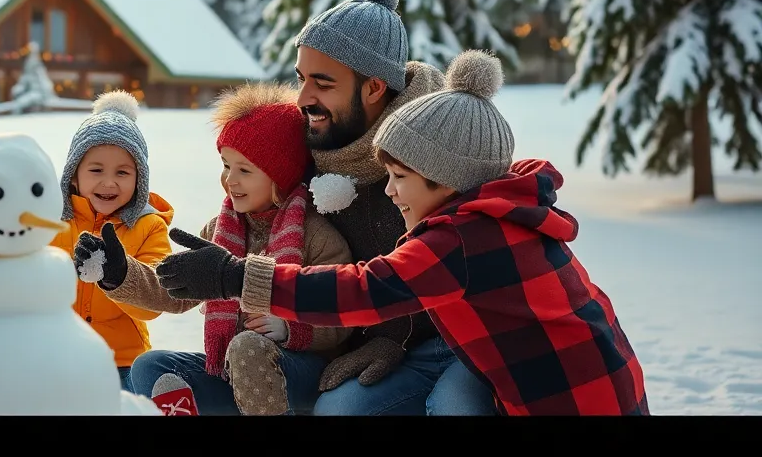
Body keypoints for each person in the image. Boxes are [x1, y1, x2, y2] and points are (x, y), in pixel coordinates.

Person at [156, 50, 650, 415]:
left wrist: (235, 277)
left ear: (448, 177)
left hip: (570, 402)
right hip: (610, 390)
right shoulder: (509, 214)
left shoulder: (462, 239)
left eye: (400, 177)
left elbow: (364, 289)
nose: (390, 192)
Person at [251, 0, 495, 415]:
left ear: (374, 88)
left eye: (322, 84)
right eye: (302, 79)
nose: (304, 98)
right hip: (361, 333)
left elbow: (464, 258)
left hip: (464, 336)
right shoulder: (310, 142)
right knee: (341, 409)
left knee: (456, 406)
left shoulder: (441, 145)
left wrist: (393, 335)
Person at [84, 81, 354, 415]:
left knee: (248, 347)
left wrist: (289, 328)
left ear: (279, 176)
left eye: (245, 170)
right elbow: (174, 289)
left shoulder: (316, 236)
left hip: (299, 376)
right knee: (149, 367)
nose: (230, 180)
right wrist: (120, 273)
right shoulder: (220, 230)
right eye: (226, 166)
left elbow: (342, 314)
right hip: (232, 372)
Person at [50, 90, 174, 393]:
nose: (109, 182)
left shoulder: (149, 226)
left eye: (122, 172)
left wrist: (120, 274)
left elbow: (156, 300)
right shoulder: (50, 221)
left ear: (139, 180)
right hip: (53, 357)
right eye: (96, 170)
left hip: (121, 362)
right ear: (74, 176)